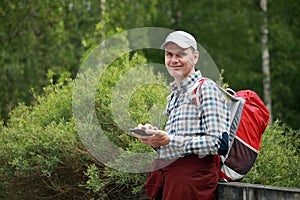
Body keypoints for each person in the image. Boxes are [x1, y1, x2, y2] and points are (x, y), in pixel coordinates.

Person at [135, 30, 230, 200]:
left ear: (195, 57)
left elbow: (219, 144)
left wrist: (170, 139)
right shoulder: (174, 95)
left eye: (180, 54)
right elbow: (174, 146)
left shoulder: (206, 89)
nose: (173, 60)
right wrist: (155, 139)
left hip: (192, 183)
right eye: (169, 54)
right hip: (172, 179)